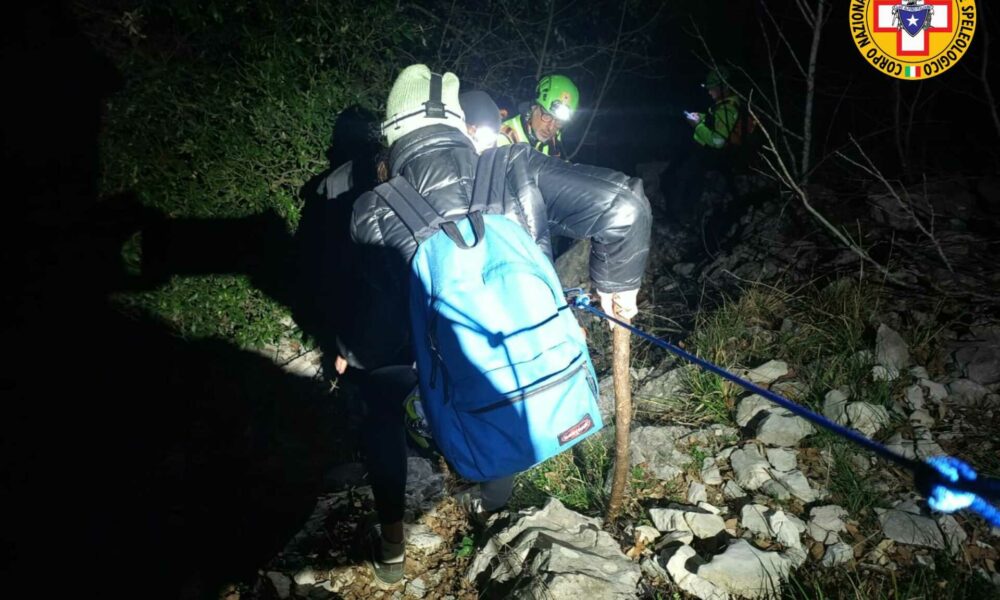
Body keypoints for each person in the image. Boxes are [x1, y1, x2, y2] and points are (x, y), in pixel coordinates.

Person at [342, 64, 650, 586]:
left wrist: (349, 351)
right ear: (460, 125)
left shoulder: (374, 210)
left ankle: (392, 546)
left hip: (444, 370)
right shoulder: (514, 166)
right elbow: (624, 207)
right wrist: (617, 288)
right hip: (529, 370)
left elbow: (381, 333)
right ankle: (493, 505)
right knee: (497, 374)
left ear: (392, 135)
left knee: (377, 400)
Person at [497, 74, 579, 159]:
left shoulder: (554, 140)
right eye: (547, 116)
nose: (551, 128)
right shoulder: (504, 136)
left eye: (559, 121)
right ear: (534, 106)